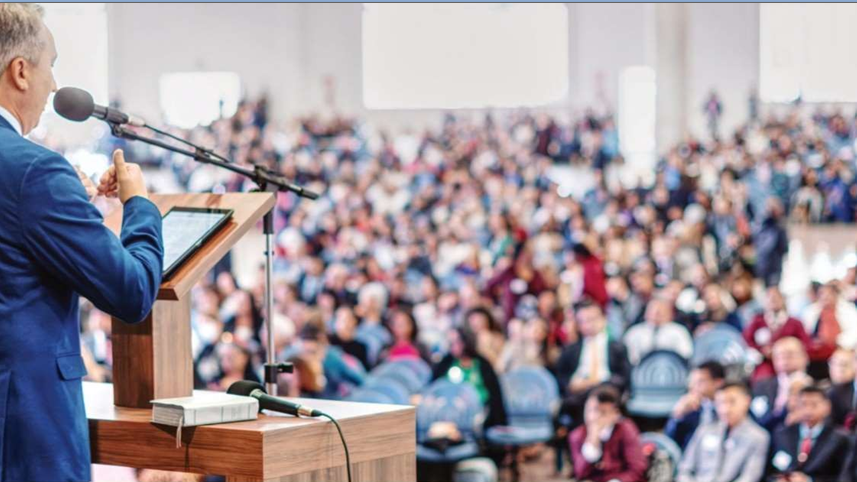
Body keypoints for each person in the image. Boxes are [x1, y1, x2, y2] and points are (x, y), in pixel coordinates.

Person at [0, 4, 164, 481]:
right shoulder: (35, 171)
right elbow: (131, 293)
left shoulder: (39, 178)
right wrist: (139, 206)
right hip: (25, 436)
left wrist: (63, 198)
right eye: (51, 65)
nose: (54, 84)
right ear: (21, 71)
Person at [556, 299, 631, 427]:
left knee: (598, 394)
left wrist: (593, 384)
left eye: (592, 319)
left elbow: (624, 378)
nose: (588, 325)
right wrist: (572, 385)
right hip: (578, 394)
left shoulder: (617, 347)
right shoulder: (570, 350)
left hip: (605, 391)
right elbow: (562, 378)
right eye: (583, 321)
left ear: (603, 319)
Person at [677, 382, 769, 482]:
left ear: (747, 401)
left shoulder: (758, 436)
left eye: (732, 402)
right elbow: (685, 469)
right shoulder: (705, 430)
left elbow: (750, 477)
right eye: (720, 403)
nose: (725, 409)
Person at [768, 386, 850, 482]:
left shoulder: (839, 439)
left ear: (827, 407)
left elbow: (843, 477)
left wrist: (809, 480)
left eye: (814, 405)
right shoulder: (782, 433)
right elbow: (769, 472)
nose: (808, 410)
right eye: (803, 405)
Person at [433, 326, 507, 430]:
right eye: (450, 343)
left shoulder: (482, 364)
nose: (452, 346)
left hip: (479, 411)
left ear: (466, 342)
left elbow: (494, 395)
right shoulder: (446, 363)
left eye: (456, 342)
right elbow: (434, 387)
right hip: (449, 412)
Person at [568, 386, 647, 482]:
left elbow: (637, 468)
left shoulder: (626, 429)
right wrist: (592, 442)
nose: (594, 417)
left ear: (615, 414)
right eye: (590, 410)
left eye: (603, 412)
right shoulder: (577, 435)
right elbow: (579, 473)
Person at [743, 286, 811, 382]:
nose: (772, 300)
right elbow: (747, 340)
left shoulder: (795, 322)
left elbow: (805, 343)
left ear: (783, 299)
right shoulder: (757, 321)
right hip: (765, 362)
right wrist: (762, 351)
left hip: (789, 361)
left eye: (776, 297)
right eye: (769, 298)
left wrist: (788, 350)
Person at [751, 337, 811, 432]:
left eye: (790, 355)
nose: (784, 360)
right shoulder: (762, 386)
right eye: (779, 356)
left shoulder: (818, 387)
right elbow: (757, 421)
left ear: (805, 357)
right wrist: (783, 411)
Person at [665, 361, 726, 449]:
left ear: (718, 383)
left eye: (700, 382)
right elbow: (670, 441)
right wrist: (678, 415)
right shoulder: (691, 408)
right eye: (692, 382)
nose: (693, 386)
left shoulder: (728, 409)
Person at [803, 282, 857, 380]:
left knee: (840, 359)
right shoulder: (810, 311)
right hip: (816, 351)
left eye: (829, 294)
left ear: (835, 295)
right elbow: (806, 333)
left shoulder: (848, 310)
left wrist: (838, 343)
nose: (825, 297)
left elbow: (854, 332)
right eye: (822, 294)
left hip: (840, 348)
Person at [622, 293, 693, 365]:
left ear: (670, 314)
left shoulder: (679, 331)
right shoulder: (634, 332)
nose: (654, 315)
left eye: (659, 312)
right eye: (651, 311)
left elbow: (686, 355)